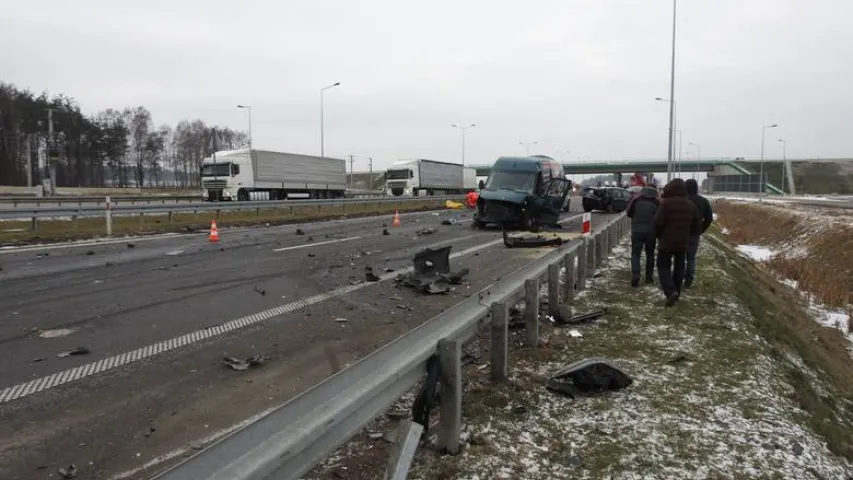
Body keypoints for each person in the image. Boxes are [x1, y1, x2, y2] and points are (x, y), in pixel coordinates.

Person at [653, 178, 701, 306]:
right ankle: (677, 292)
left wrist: (658, 235)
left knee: (663, 266)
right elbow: (697, 226)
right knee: (680, 267)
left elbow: (657, 223)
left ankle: (670, 291)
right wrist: (688, 235)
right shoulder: (691, 205)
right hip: (683, 242)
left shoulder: (665, 204)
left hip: (666, 242)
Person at [626, 184, 660, 287]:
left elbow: (629, 212)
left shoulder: (636, 199)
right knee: (650, 254)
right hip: (651, 232)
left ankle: (636, 274)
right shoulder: (657, 201)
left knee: (636, 254)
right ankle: (649, 277)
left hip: (637, 231)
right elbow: (660, 216)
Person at [684, 179, 714, 288]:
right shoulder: (703, 201)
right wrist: (701, 229)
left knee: (681, 256)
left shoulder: (683, 200)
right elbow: (709, 218)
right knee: (691, 258)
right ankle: (689, 280)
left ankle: (680, 276)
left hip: (682, 233)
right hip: (695, 233)